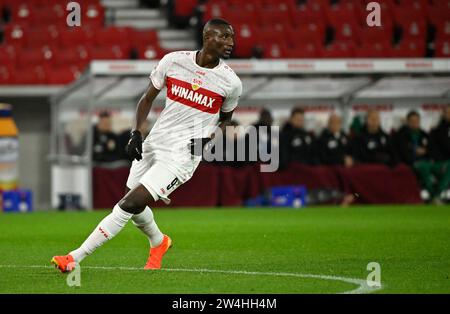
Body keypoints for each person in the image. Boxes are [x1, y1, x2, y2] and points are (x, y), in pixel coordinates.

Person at [51, 18, 242, 273]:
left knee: (128, 204)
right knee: (135, 204)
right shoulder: (173, 61)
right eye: (224, 37)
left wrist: (207, 138)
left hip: (182, 154)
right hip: (155, 142)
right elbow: (147, 97)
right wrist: (136, 133)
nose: (230, 42)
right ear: (207, 38)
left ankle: (74, 258)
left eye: (231, 37)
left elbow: (226, 119)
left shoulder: (230, 82)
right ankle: (159, 241)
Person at [397, 110, 450, 204]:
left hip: (429, 162)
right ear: (408, 122)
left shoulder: (425, 134)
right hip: (414, 163)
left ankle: (437, 194)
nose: (415, 123)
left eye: (417, 121)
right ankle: (434, 196)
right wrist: (414, 152)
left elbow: (432, 150)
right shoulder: (401, 135)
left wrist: (426, 152)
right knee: (423, 167)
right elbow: (402, 152)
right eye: (412, 121)